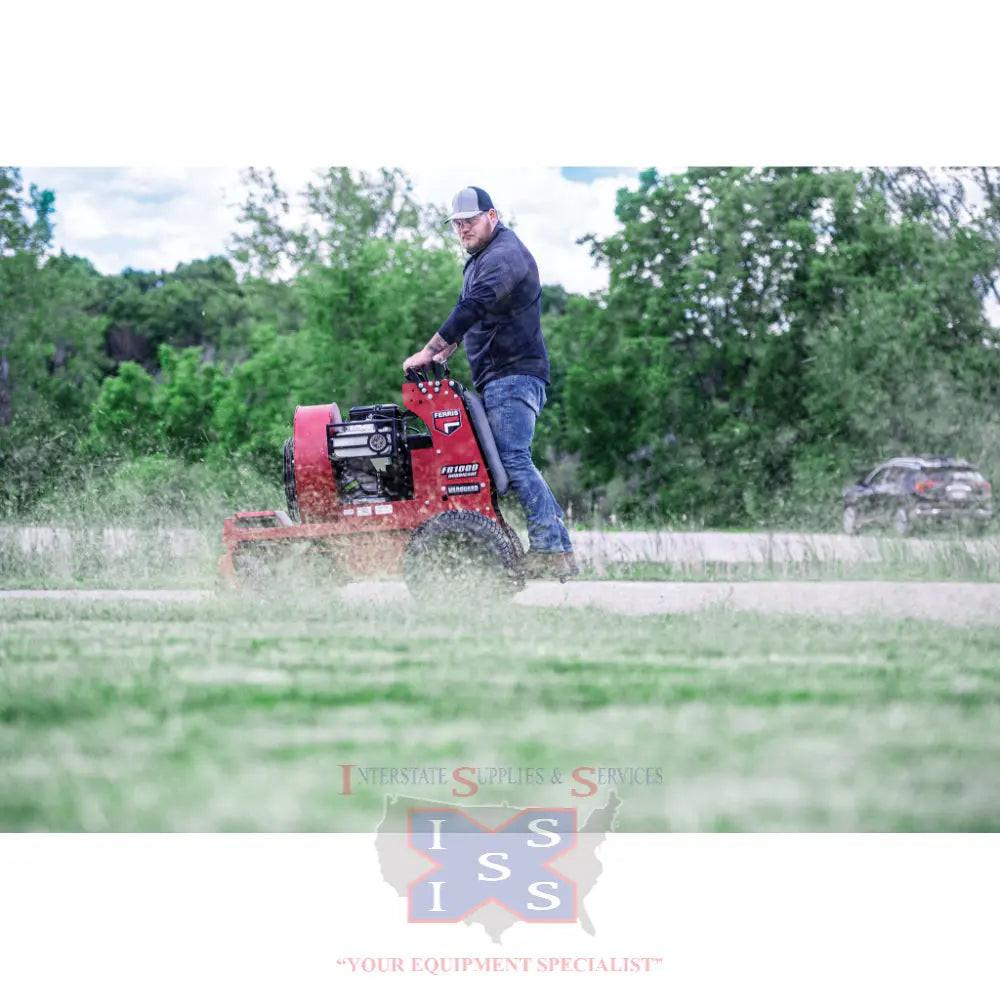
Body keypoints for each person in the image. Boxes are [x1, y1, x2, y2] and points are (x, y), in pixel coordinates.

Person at [402, 186, 576, 578]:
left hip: (514, 375)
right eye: (457, 224)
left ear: (492, 216)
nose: (463, 229)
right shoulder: (482, 260)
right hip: (501, 376)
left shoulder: (503, 255)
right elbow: (476, 313)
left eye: (470, 221)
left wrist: (429, 350)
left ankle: (551, 549)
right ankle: (549, 548)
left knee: (513, 459)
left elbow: (474, 305)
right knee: (503, 462)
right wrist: (448, 349)